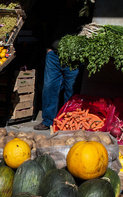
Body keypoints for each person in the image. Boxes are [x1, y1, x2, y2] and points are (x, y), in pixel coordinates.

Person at [33, 0, 90, 130]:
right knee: (49, 87)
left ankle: (67, 121)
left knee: (71, 90)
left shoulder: (84, 8)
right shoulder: (56, 6)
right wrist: (48, 47)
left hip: (74, 57)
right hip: (54, 55)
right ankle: (48, 121)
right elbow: (46, 25)